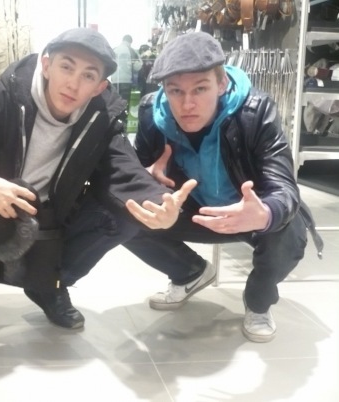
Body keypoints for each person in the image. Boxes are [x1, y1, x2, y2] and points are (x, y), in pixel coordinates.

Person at [0, 27, 196, 340]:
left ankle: (50, 286)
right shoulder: (2, 98)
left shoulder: (102, 116)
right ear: (46, 65)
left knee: (127, 215)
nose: (73, 84)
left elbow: (123, 167)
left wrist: (159, 202)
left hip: (52, 215)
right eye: (66, 67)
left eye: (88, 75)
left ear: (100, 87)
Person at [124, 31, 324, 343]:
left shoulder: (255, 111)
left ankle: (258, 301)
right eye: (175, 91)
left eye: (200, 88)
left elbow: (284, 186)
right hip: (194, 211)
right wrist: (145, 179)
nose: (187, 104)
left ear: (221, 84)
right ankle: (190, 273)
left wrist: (266, 213)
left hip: (250, 213)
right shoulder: (152, 114)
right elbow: (133, 181)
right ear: (164, 88)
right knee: (121, 216)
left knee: (289, 230)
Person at [110, 34, 142, 111]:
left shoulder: (113, 50)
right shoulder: (132, 51)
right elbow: (137, 66)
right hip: (126, 80)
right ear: (131, 42)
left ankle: (115, 116)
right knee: (124, 103)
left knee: (115, 102)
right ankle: (123, 116)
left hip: (114, 80)